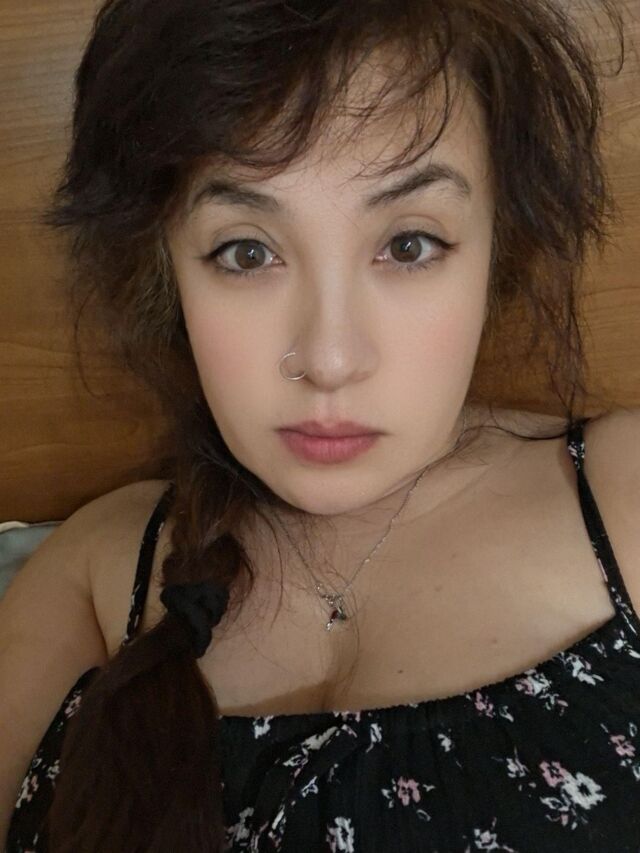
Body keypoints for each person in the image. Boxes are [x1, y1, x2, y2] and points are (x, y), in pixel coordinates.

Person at [1, 0, 638, 849]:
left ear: (498, 246)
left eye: (409, 244)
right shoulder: (91, 575)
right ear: (167, 270)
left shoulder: (626, 500)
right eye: (246, 251)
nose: (330, 359)